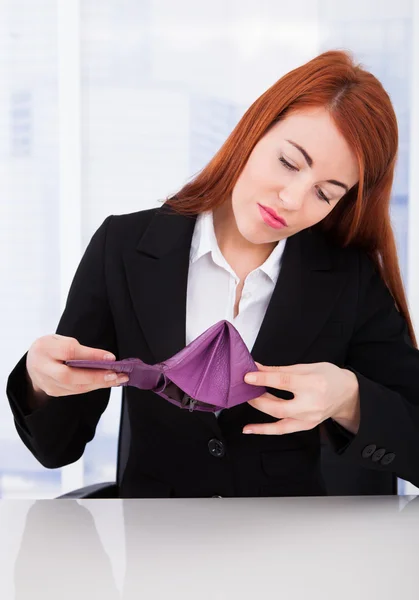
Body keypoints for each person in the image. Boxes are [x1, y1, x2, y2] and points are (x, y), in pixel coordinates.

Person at [6, 50, 419, 498]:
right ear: (253, 131)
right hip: (159, 549)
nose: (292, 199)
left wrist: (348, 398)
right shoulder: (124, 247)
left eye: (325, 193)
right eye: (288, 162)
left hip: (290, 552)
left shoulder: (348, 279)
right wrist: (39, 381)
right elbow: (56, 447)